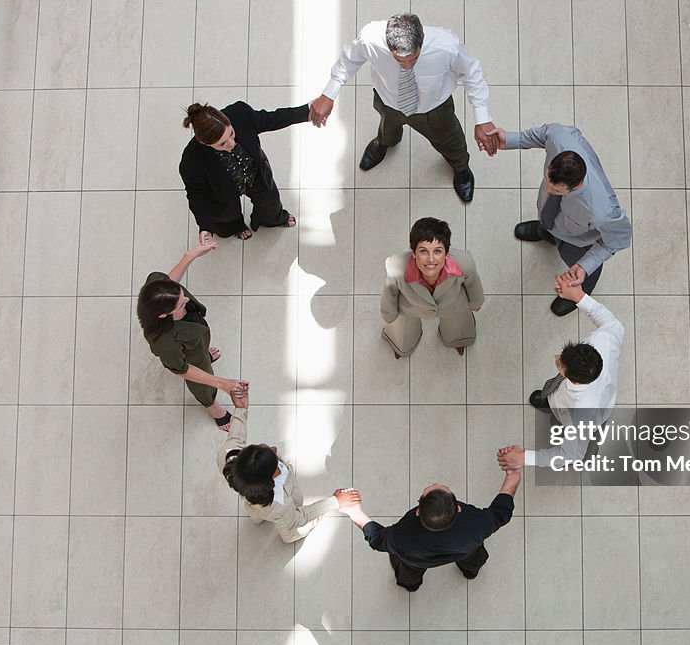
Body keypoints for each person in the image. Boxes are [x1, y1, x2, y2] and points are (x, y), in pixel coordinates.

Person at [308, 12, 499, 203]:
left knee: (451, 141)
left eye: (413, 59)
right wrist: (328, 93)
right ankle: (384, 143)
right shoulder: (370, 39)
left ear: (421, 42)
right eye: (399, 60)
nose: (407, 66)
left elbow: (472, 72)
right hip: (389, 102)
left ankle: (461, 168)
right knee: (386, 129)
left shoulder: (446, 46)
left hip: (433, 107)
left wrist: (482, 118)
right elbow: (349, 59)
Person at [492, 123, 631, 316]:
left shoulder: (601, 211)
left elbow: (619, 240)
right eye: (548, 181)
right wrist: (510, 139)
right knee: (548, 219)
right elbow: (545, 133)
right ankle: (546, 231)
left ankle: (580, 290)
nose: (548, 190)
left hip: (577, 240)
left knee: (581, 266)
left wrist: (585, 265)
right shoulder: (560, 139)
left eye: (556, 190)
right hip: (555, 221)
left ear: (577, 185)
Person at [497, 275, 624, 469]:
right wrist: (579, 296)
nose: (556, 357)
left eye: (560, 364)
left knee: (579, 450)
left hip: (579, 415)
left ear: (573, 379)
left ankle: (587, 445)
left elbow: (569, 455)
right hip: (567, 396)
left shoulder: (580, 416)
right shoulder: (602, 342)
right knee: (553, 393)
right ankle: (547, 400)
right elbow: (611, 322)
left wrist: (525, 458)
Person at [340, 458, 521, 591]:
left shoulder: (401, 537)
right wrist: (513, 475)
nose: (434, 483)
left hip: (416, 559)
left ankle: (410, 586)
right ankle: (470, 572)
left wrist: (353, 511)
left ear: (418, 511)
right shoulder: (476, 524)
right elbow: (501, 512)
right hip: (465, 548)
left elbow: (377, 539)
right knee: (473, 557)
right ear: (458, 508)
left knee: (409, 572)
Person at [219, 388, 360, 541]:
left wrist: (240, 408)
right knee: (292, 532)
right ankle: (287, 536)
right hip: (280, 511)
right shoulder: (280, 505)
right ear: (272, 476)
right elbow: (299, 517)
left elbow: (236, 434)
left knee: (256, 512)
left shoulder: (229, 455)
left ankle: (257, 518)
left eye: (261, 447)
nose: (273, 448)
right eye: (272, 454)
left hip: (250, 500)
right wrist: (335, 501)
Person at [136, 240, 248, 431]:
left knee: (202, 352)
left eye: (182, 295)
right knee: (201, 380)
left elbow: (169, 281)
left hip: (197, 339)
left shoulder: (157, 285)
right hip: (190, 357)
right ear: (163, 315)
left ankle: (205, 355)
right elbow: (182, 369)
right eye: (180, 304)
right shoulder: (165, 343)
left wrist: (191, 254)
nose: (187, 300)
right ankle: (213, 408)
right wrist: (223, 384)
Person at [179, 100, 309, 241]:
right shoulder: (191, 161)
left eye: (231, 133)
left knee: (271, 204)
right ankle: (236, 227)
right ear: (205, 143)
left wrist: (307, 111)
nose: (231, 143)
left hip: (254, 174)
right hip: (223, 191)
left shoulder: (240, 113)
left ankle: (271, 219)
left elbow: (271, 119)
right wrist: (205, 227)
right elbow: (196, 195)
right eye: (222, 144)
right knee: (226, 218)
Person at [381, 217, 484, 359]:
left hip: (452, 304)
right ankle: (402, 346)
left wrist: (476, 303)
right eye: (423, 251)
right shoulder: (396, 268)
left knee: (458, 325)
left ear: (446, 253)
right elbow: (389, 292)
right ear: (413, 253)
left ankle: (458, 340)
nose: (430, 259)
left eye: (437, 251)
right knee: (403, 331)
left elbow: (474, 284)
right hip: (410, 306)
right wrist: (389, 314)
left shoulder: (465, 263)